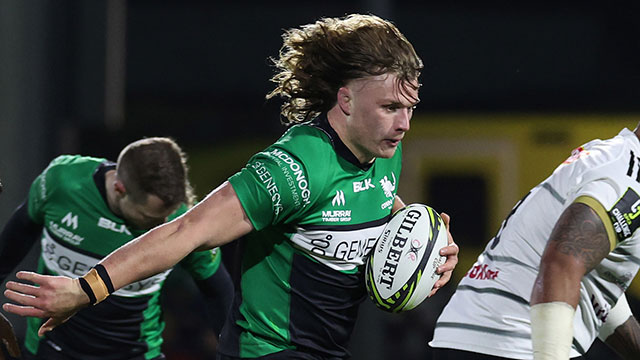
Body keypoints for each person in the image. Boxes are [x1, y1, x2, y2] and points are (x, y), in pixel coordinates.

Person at [3, 14, 459, 359]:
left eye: (410, 107)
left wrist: (426, 239)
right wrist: (85, 290)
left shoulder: (382, 148)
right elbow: (187, 231)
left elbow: (375, 203)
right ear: (346, 98)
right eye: (390, 107)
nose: (404, 124)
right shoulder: (294, 168)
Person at [0, 138, 233, 360]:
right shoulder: (62, 182)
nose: (164, 227)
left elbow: (217, 288)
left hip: (136, 353)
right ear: (120, 188)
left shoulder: (183, 222)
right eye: (151, 218)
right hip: (50, 349)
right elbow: (18, 234)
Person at [429, 124, 640, 359]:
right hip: (512, 341)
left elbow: (594, 282)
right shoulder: (630, 181)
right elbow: (562, 265)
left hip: (477, 334)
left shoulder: (613, 157)